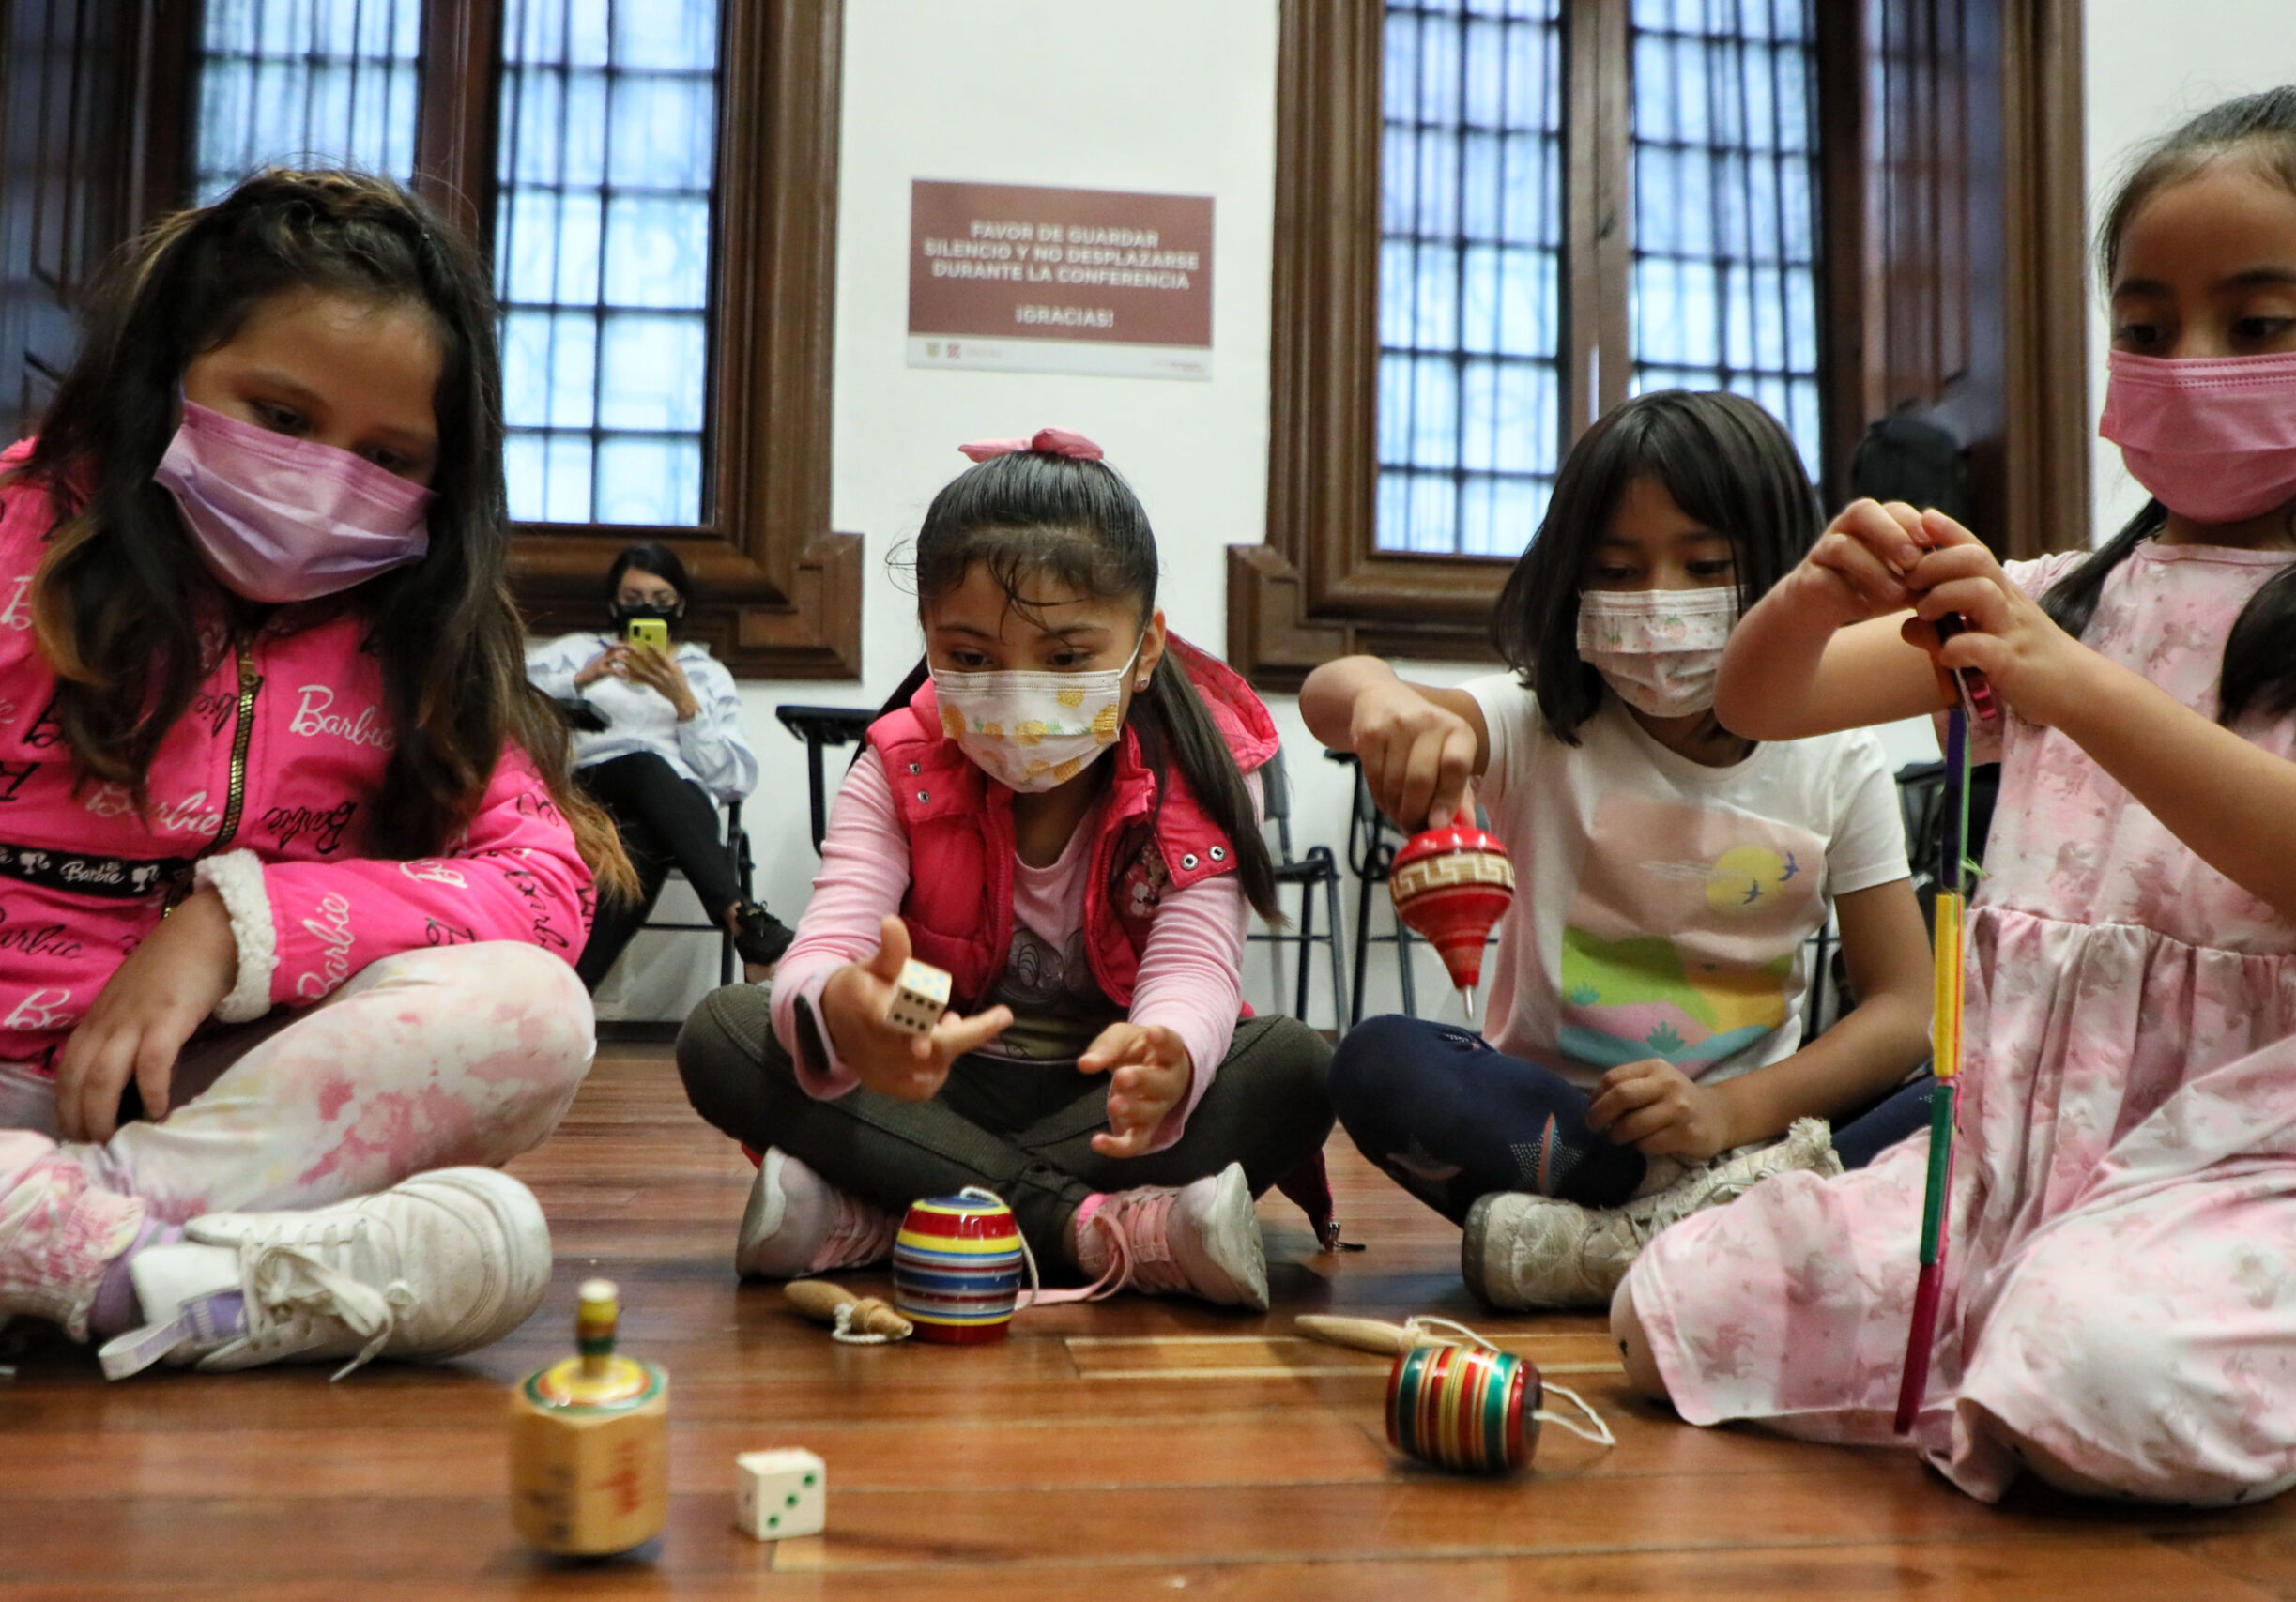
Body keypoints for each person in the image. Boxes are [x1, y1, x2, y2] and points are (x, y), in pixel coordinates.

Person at [1615, 86, 2296, 1506]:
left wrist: (2063, 678)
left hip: (2270, 1154)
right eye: (2148, 326)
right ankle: (2097, 1314)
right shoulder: (2066, 594)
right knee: (1678, 1305)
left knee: (2087, 1367)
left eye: (2260, 324)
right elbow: (1754, 704)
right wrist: (1808, 595)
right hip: (2016, 1162)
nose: (2189, 360)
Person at [0, 170, 623, 1380]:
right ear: (167, 372)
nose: (325, 479)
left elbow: (545, 886)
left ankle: (72, 1245)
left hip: (219, 1107)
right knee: (474, 1242)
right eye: (280, 418)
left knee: (534, 1014)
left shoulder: (415, 631)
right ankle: (194, 1288)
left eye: (388, 455)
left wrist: (236, 928)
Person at [1300, 390, 1933, 1309]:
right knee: (1376, 1061)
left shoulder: (1837, 754)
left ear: (1791, 578)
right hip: (1561, 1136)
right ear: (1571, 583)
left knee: (1961, 1100)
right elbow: (1328, 693)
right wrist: (1374, 695)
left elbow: (1905, 1006)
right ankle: (1711, 1233)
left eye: (1705, 564)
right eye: (1617, 571)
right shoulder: (1530, 725)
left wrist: (1727, 1113)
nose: (1658, 602)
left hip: (1756, 1135)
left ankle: (1612, 1247)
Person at [676, 430, 1334, 1309]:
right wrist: (844, 1011)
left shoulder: (1199, 778)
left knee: (1293, 1065)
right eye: (974, 659)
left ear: (1144, 650)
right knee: (726, 1029)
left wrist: (1168, 1050)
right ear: (927, 641)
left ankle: (888, 1214)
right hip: (932, 1079)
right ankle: (1105, 1232)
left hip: (1098, 1104)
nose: (1019, 693)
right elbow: (832, 943)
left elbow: (1195, 967)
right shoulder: (899, 763)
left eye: (1066, 659)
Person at [527, 542, 793, 987]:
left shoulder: (705, 673)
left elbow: (733, 781)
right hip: (588, 796)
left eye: (661, 601)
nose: (646, 609)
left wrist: (684, 702)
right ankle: (745, 919)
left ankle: (566, 995)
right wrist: (582, 678)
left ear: (680, 606)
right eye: (632, 600)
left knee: (644, 837)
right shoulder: (576, 652)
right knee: (643, 764)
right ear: (614, 604)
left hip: (675, 812)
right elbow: (507, 704)